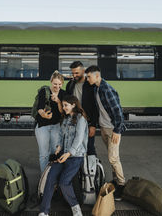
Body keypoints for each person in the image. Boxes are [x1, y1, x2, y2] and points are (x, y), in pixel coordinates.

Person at [38, 94, 88, 216]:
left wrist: (69, 153)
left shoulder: (81, 119)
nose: (64, 107)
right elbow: (61, 135)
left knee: (63, 182)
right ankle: (44, 211)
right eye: (64, 105)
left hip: (75, 156)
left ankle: (75, 208)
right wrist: (59, 146)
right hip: (63, 153)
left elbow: (79, 139)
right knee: (50, 178)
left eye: (66, 105)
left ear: (73, 105)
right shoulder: (65, 119)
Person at [85, 65, 126, 201]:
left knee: (113, 158)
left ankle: (121, 185)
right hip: (104, 128)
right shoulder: (96, 88)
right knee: (111, 157)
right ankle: (115, 181)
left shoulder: (106, 89)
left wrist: (117, 130)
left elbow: (118, 112)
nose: (87, 79)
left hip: (112, 129)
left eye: (89, 76)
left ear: (97, 76)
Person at [35, 70, 65, 173]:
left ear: (62, 83)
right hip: (42, 126)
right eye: (55, 84)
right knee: (44, 154)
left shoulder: (63, 94)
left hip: (56, 126)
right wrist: (44, 115)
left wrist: (58, 102)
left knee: (55, 152)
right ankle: (44, 177)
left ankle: (53, 175)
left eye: (59, 84)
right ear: (51, 82)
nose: (57, 86)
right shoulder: (44, 91)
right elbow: (39, 108)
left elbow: (62, 112)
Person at [66, 61, 98, 155]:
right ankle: (78, 168)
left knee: (89, 147)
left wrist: (93, 125)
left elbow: (95, 106)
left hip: (87, 121)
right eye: (72, 73)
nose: (74, 75)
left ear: (83, 71)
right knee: (73, 146)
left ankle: (91, 168)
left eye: (77, 73)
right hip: (73, 120)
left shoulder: (90, 85)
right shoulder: (70, 85)